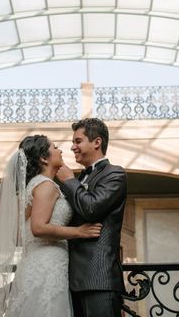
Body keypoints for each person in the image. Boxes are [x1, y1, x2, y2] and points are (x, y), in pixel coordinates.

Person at [0, 134, 102, 317]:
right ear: (43, 158)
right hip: (48, 264)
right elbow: (38, 228)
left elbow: (18, 236)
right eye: (55, 147)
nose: (61, 150)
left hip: (37, 261)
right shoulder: (46, 186)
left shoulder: (33, 186)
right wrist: (79, 231)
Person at [56, 118, 127, 317]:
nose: (72, 147)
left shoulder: (115, 174)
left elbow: (92, 208)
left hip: (98, 279)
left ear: (97, 142)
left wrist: (69, 181)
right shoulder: (79, 178)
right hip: (71, 280)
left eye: (78, 141)